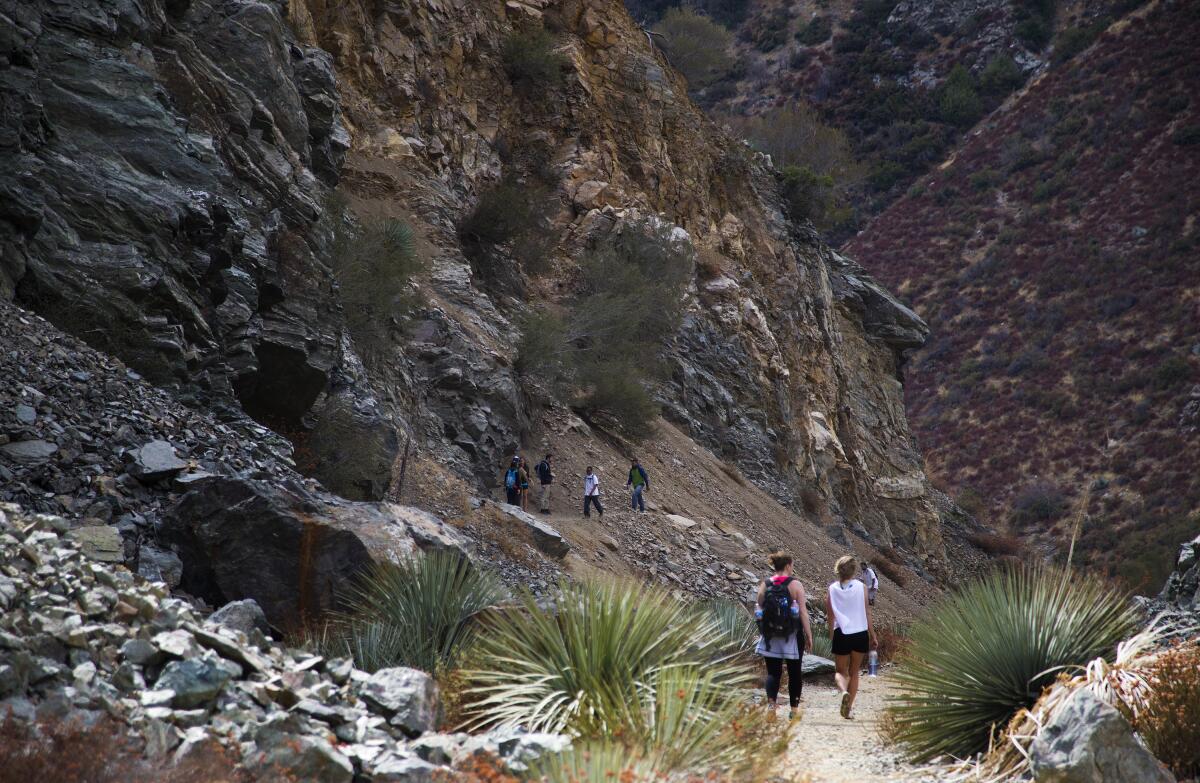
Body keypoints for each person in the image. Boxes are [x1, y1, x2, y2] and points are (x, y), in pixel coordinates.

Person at [754, 551, 813, 720]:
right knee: (795, 673)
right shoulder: (795, 585)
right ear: (788, 565)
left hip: (771, 636)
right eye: (792, 565)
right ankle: (794, 711)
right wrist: (808, 634)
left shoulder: (766, 584)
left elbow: (759, 606)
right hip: (792, 636)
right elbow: (802, 612)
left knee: (773, 673)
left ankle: (771, 708)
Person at [826, 555, 877, 720]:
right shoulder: (861, 587)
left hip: (842, 633)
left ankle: (844, 691)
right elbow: (867, 611)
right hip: (860, 633)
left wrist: (831, 635)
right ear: (854, 570)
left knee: (840, 671)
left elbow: (830, 615)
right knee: (854, 672)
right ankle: (848, 708)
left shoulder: (832, 588)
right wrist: (873, 635)